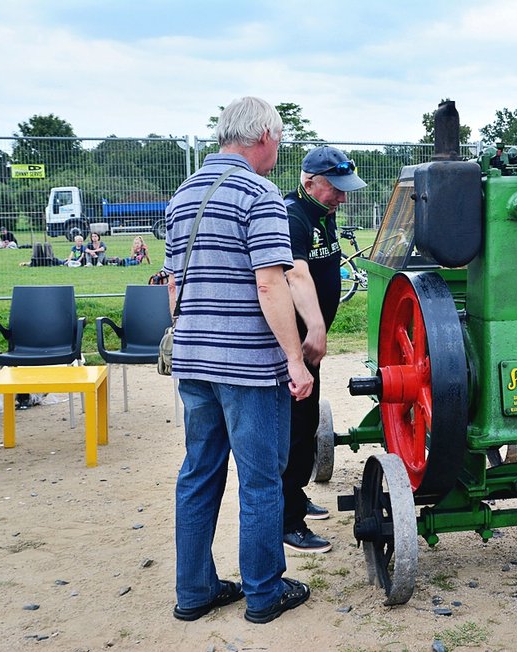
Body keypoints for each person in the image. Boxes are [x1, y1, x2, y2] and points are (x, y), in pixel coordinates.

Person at [167, 96, 314, 625]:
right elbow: (270, 282)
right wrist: (294, 361)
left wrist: (190, 340)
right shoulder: (260, 193)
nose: (280, 148)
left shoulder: (183, 194)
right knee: (259, 481)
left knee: (198, 474)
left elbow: (175, 287)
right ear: (263, 137)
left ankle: (194, 590)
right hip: (249, 367)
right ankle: (263, 592)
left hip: (193, 361)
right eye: (279, 139)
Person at [281, 145, 367, 554]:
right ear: (310, 182)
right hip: (293, 346)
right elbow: (295, 273)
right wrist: (314, 328)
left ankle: (295, 499)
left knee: (307, 420)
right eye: (336, 189)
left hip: (310, 348)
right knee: (294, 429)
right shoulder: (293, 216)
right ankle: (287, 521)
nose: (343, 198)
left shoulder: (322, 213)